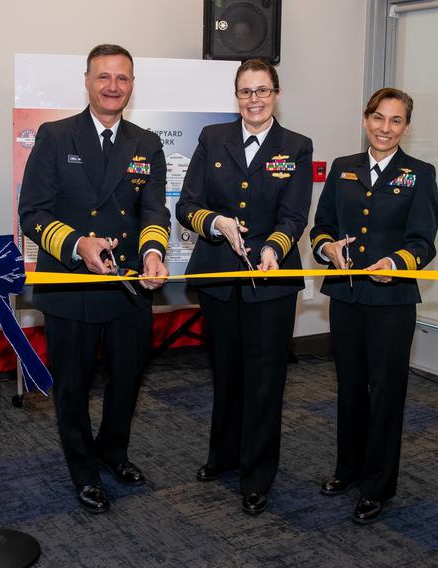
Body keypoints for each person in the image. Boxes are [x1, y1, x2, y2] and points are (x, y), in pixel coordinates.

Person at [18, 44, 170, 515]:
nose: (112, 87)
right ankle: (83, 470)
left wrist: (152, 252)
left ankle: (113, 452)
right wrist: (77, 244)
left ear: (131, 84)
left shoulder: (146, 143)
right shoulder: (56, 136)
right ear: (86, 81)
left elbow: (153, 210)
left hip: (128, 286)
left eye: (122, 78)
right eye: (104, 77)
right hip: (71, 284)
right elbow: (32, 214)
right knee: (73, 386)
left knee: (127, 381)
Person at [175, 59, 313, 515]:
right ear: (236, 96)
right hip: (219, 275)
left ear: (277, 93)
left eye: (262, 90)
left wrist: (274, 246)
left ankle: (257, 474)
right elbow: (188, 205)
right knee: (226, 371)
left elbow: (294, 216)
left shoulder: (296, 146)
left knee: (265, 380)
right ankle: (224, 456)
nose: (254, 99)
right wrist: (214, 223)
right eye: (245, 91)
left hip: (270, 281)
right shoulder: (213, 138)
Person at [310, 87, 438, 524]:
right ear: (366, 120)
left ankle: (378, 484)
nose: (386, 128)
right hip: (346, 295)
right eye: (379, 118)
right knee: (349, 385)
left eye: (396, 120)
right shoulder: (343, 168)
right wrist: (327, 248)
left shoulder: (419, 173)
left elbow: (423, 242)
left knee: (386, 393)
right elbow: (321, 226)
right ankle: (348, 468)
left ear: (406, 126)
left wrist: (397, 262)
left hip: (391, 300)